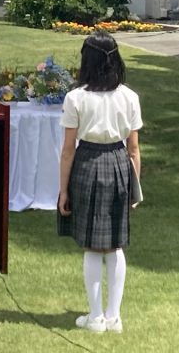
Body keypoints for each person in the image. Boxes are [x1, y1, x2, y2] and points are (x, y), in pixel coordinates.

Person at [57, 32, 142, 334]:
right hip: (119, 163)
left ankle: (95, 317)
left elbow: (68, 150)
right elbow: (133, 149)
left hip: (88, 163)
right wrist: (136, 187)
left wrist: (63, 190)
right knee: (115, 244)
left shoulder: (75, 98)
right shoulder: (129, 96)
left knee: (93, 246)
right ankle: (113, 316)